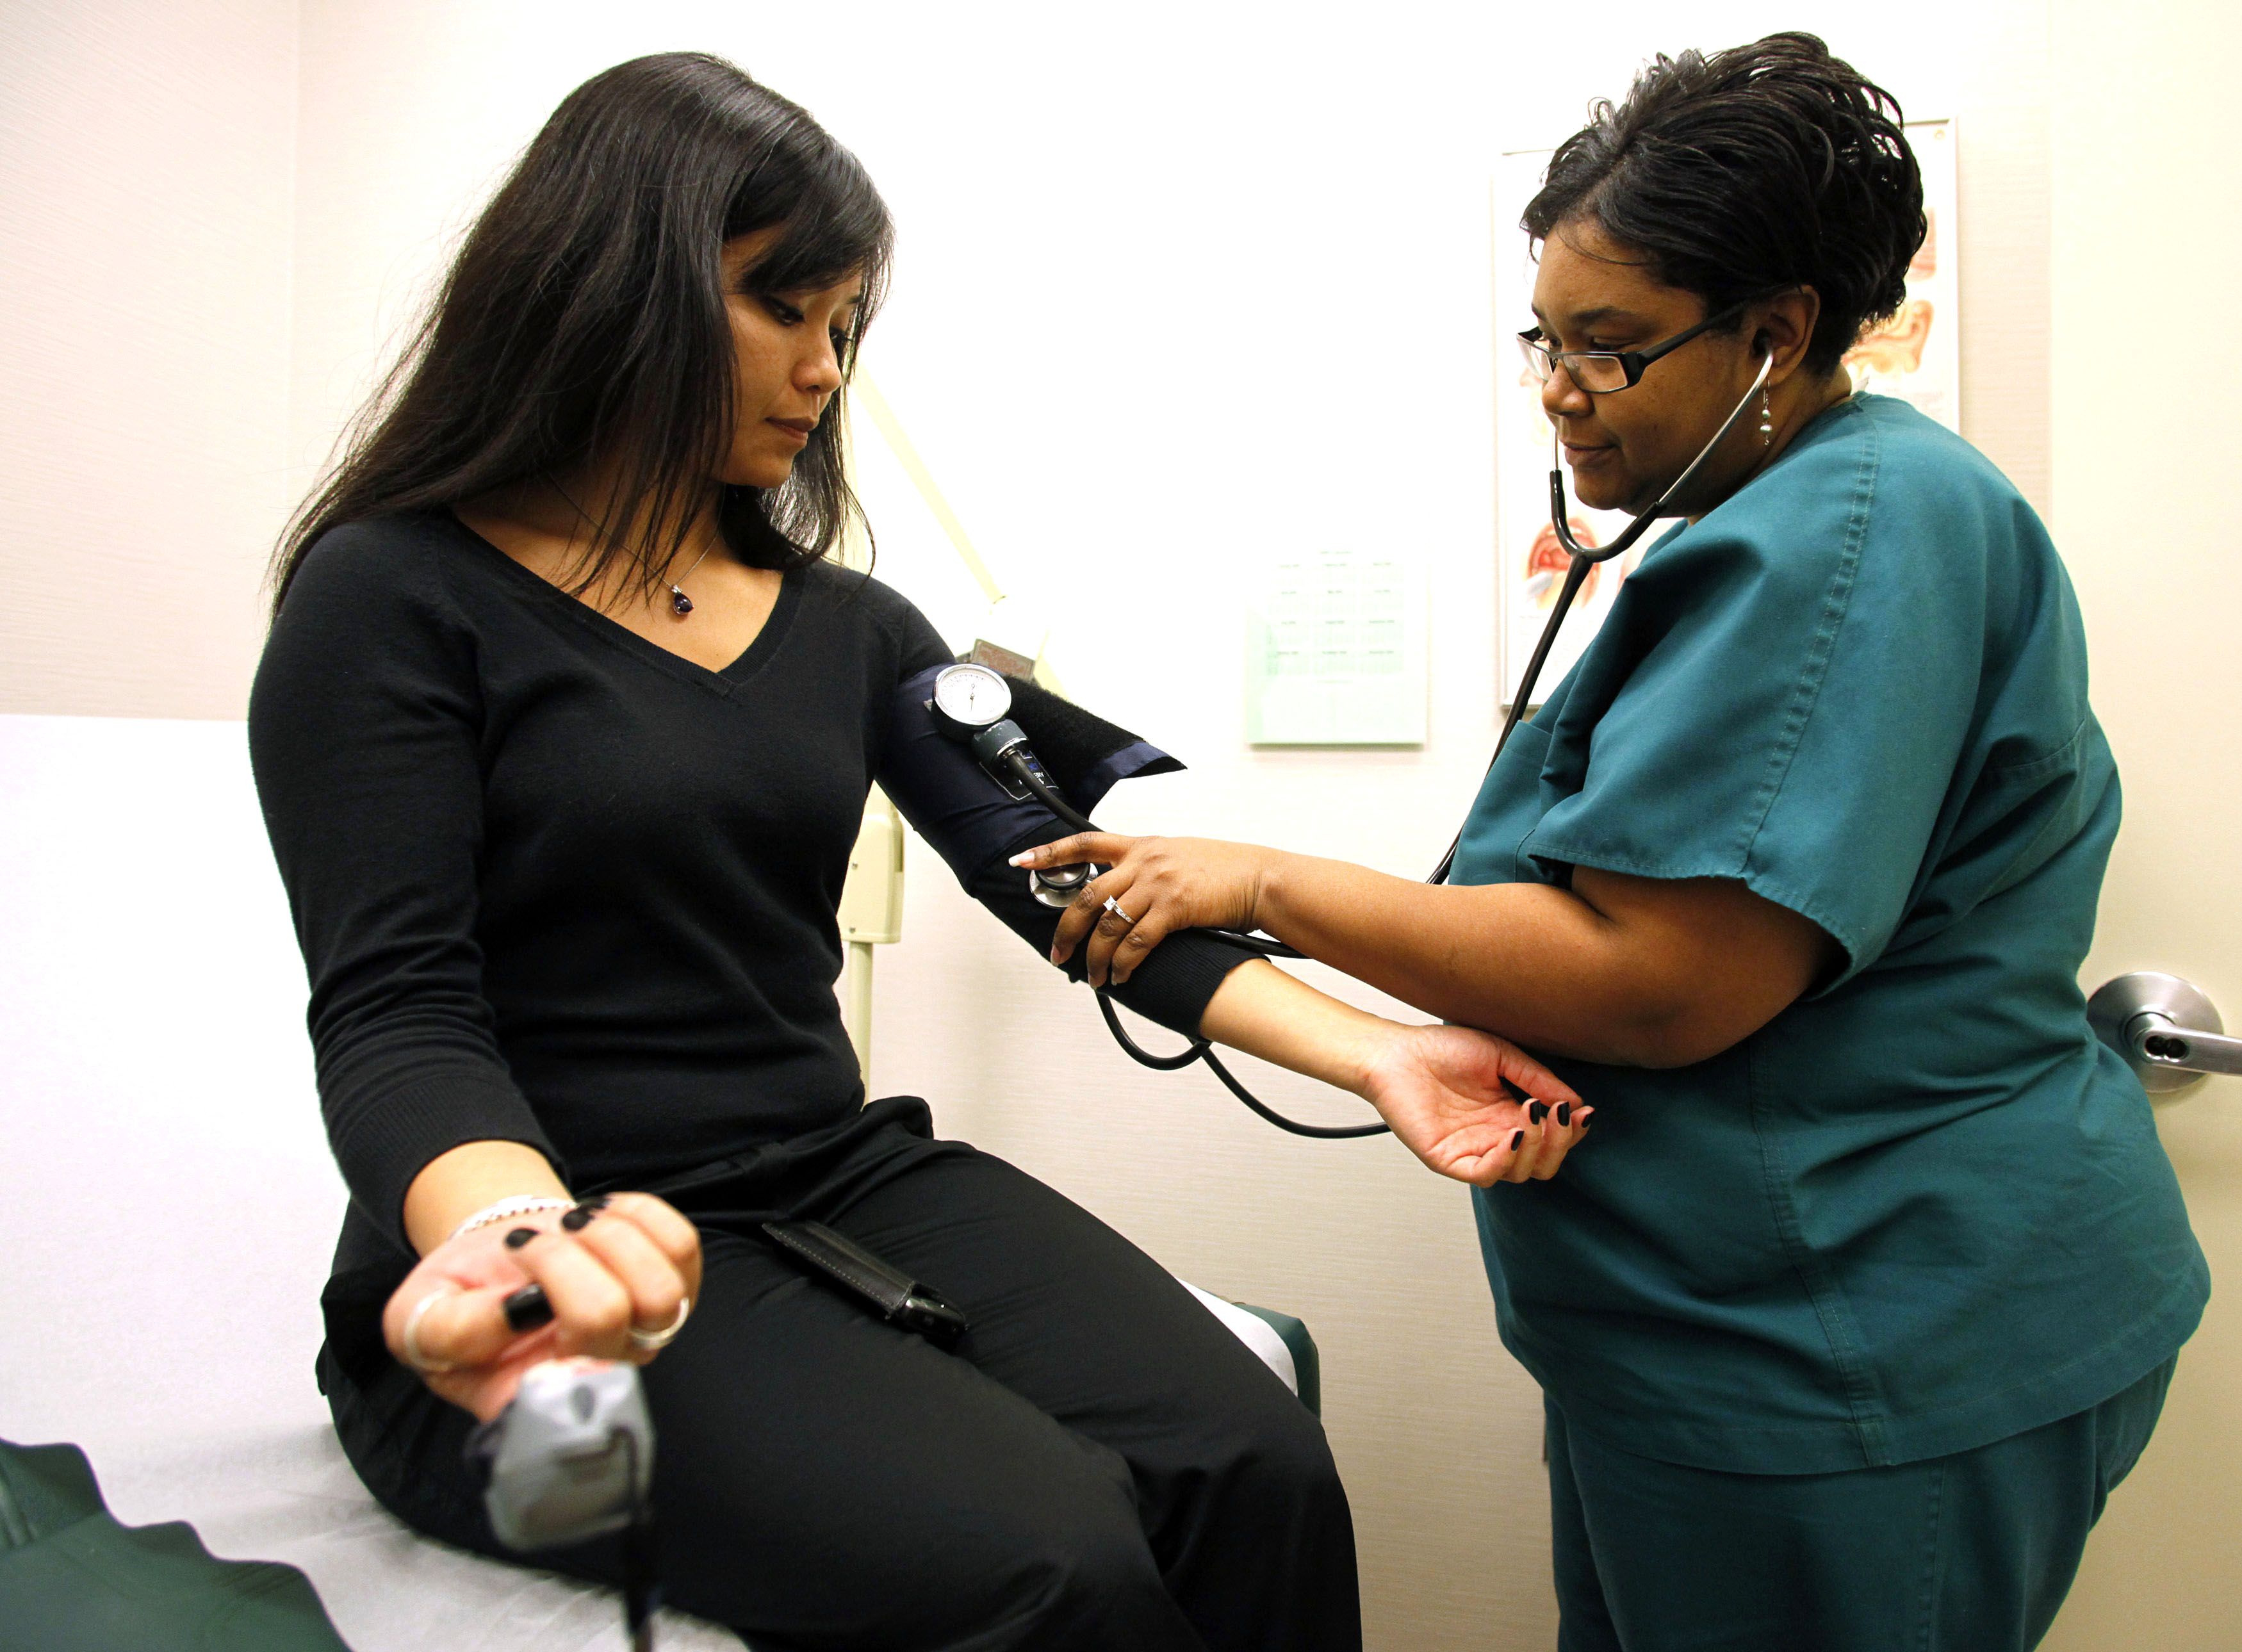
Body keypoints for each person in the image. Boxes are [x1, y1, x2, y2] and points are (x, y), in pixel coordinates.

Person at [248, 53, 1591, 1651]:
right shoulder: (392, 595)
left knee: (1257, 1462)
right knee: (1051, 1565)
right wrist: (521, 1239)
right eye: (781, 309)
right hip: (558, 1243)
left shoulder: (855, 626)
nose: (823, 369)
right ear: (617, 286)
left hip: (833, 1174)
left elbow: (1073, 892)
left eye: (843, 327)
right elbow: (397, 1012)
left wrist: (1376, 1059)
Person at [1013, 34, 2207, 1651]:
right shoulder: (1792, 521)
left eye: (1612, 346)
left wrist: (1266, 880)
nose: (1561, 389)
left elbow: (1663, 984)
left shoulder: (1847, 539)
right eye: (1545, 340)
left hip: (1858, 1335)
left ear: (1775, 337)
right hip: (1761, 1321)